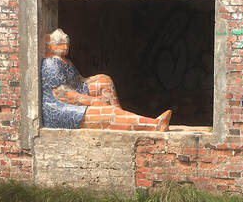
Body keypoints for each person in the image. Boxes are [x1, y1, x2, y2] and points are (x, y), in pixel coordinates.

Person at [40, 28, 172, 131]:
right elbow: (63, 95)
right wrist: (93, 102)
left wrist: (99, 78)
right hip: (61, 111)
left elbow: (80, 81)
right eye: (60, 44)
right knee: (106, 112)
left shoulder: (64, 61)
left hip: (76, 95)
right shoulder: (51, 64)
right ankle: (155, 125)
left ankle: (120, 115)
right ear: (51, 45)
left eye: (65, 44)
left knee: (105, 81)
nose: (64, 47)